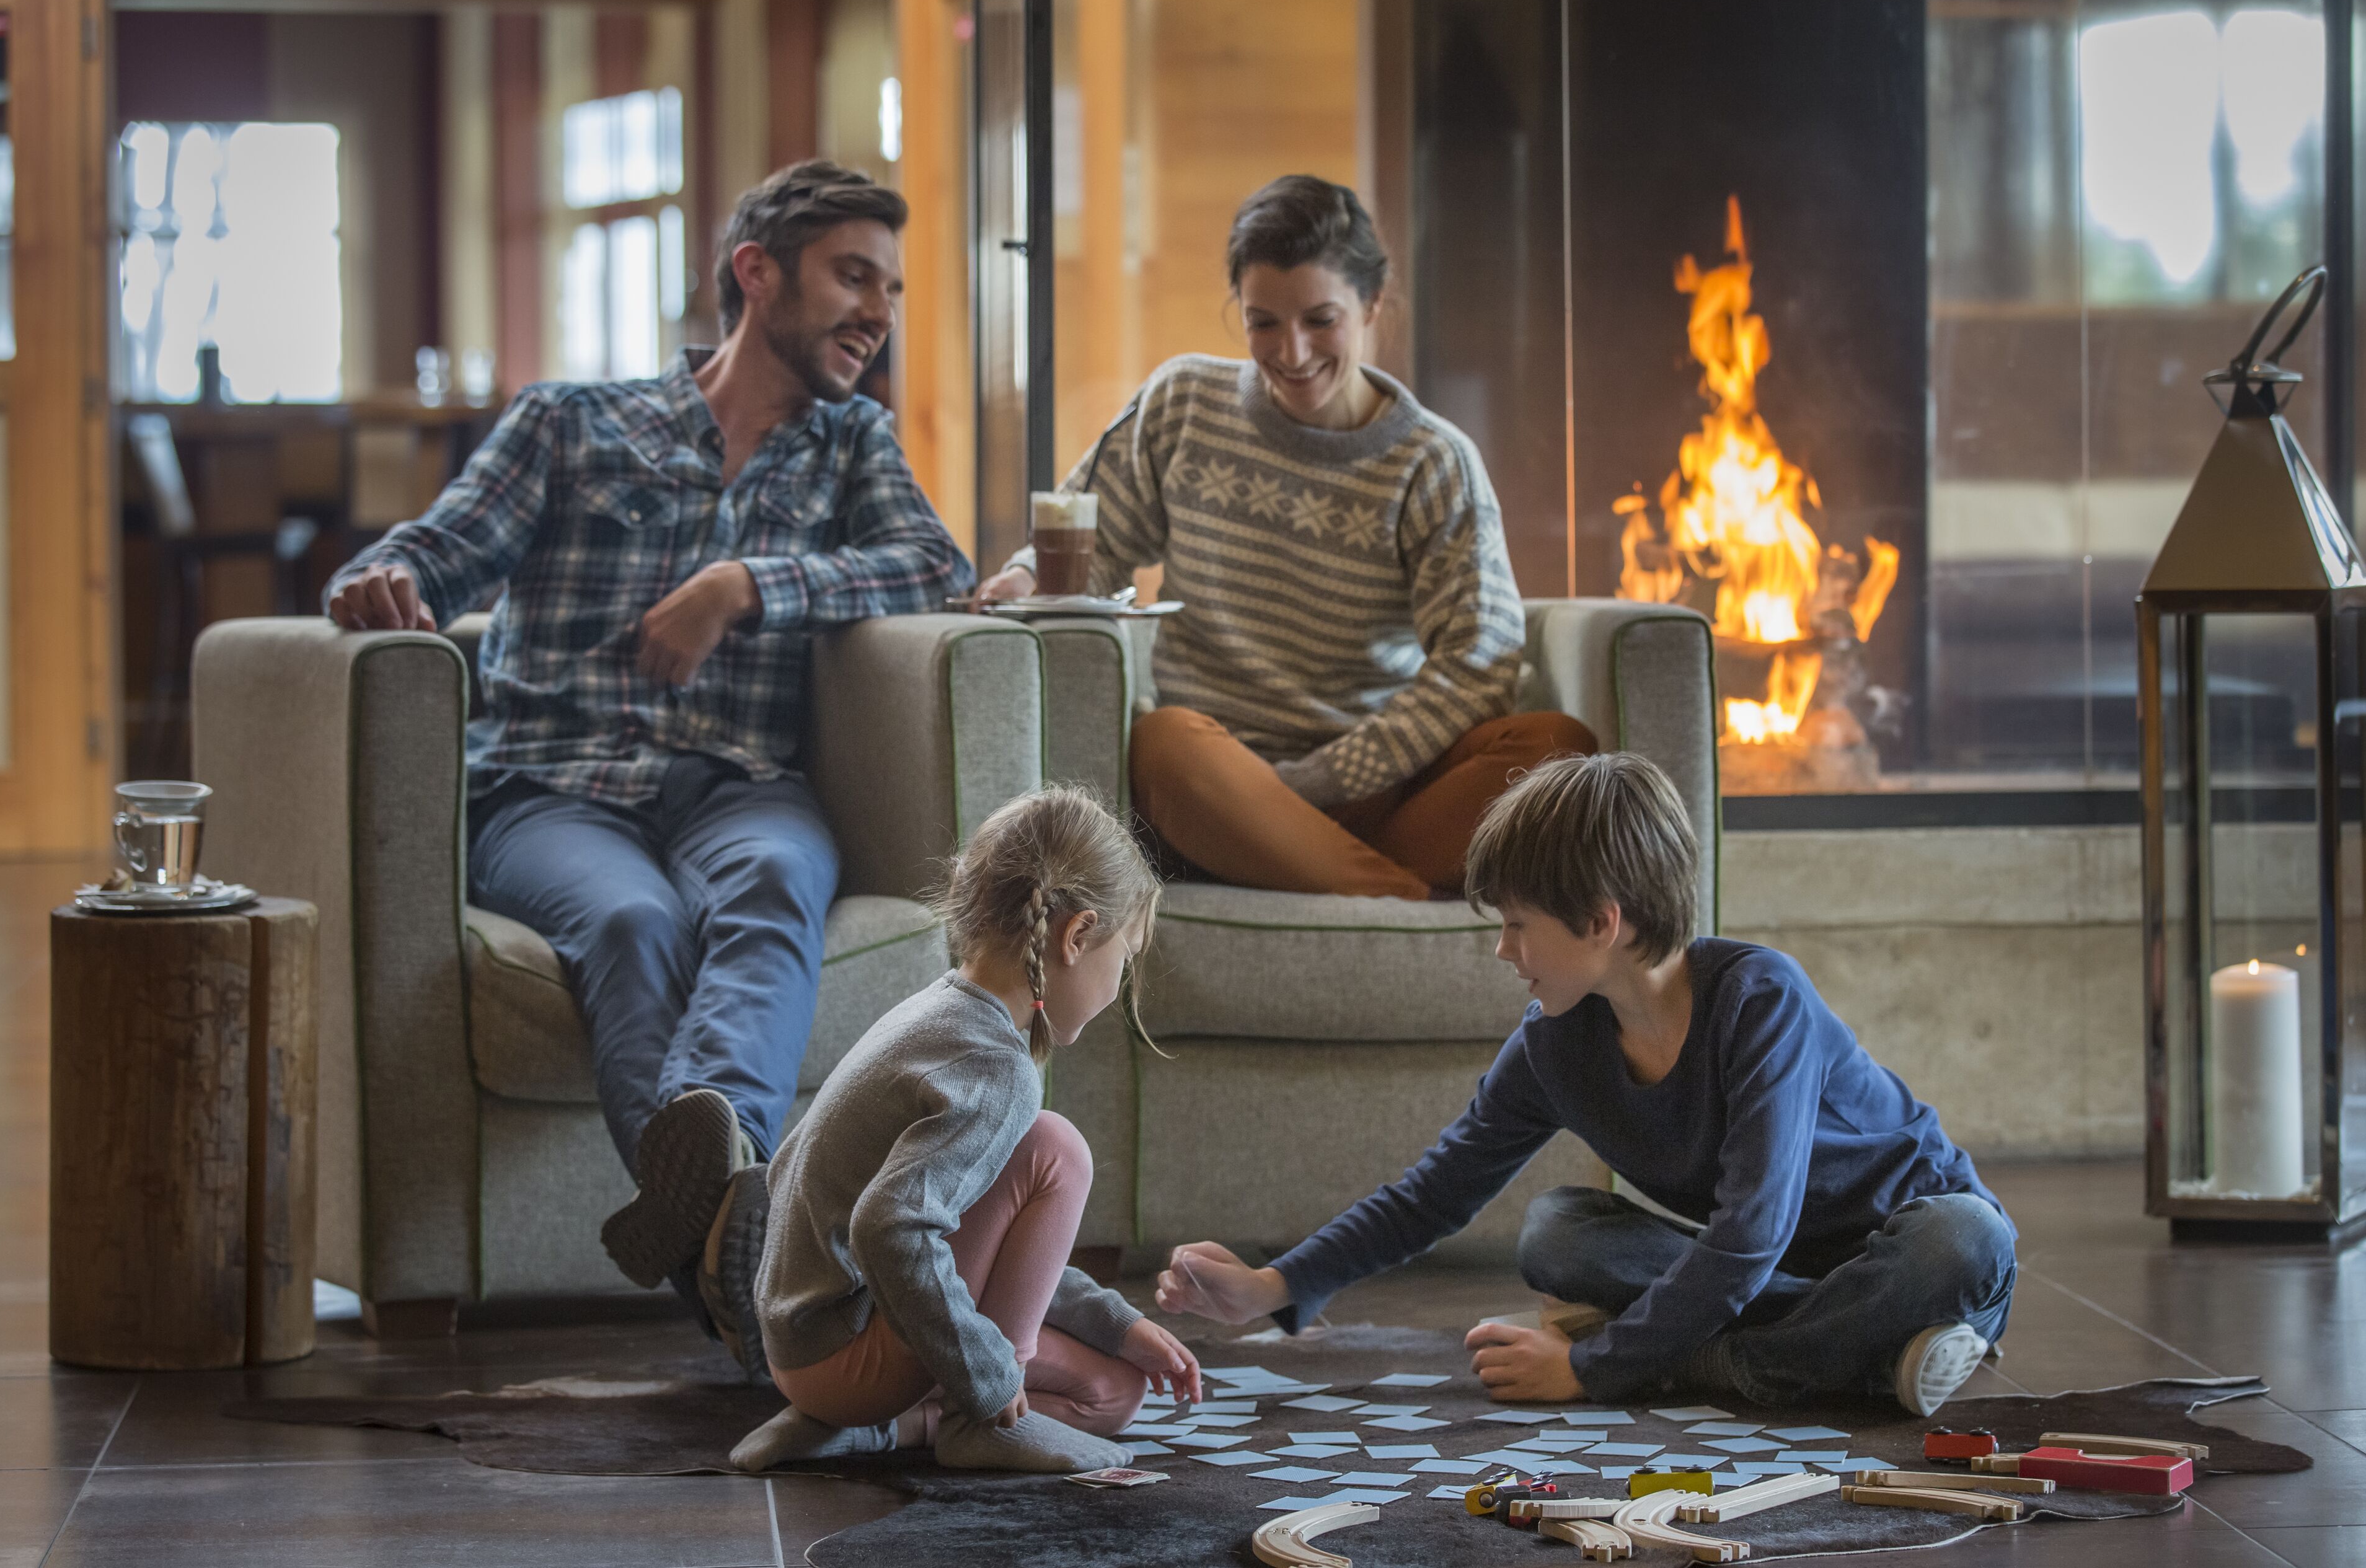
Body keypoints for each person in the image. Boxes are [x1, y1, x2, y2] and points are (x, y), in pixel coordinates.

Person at [322, 161, 974, 1319]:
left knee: (778, 875)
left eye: (892, 287)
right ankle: (743, 1249)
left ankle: (712, 1205)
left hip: (741, 787)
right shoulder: (573, 422)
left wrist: (744, 582)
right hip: (550, 791)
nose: (879, 311)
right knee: (633, 921)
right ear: (757, 273)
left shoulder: (852, 448)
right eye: (853, 276)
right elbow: (430, 554)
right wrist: (384, 583)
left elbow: (936, 568)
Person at [1151, 752, 2018, 1415]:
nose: (1504, 950)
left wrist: (1590, 1366)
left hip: (1905, 1243)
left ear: (1603, 920)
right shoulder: (1557, 1041)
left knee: (1965, 1237)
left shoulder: (1761, 999)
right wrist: (1274, 1284)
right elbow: (1436, 1191)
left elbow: (1752, 1229)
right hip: (1777, 1270)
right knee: (1559, 1231)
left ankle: (1702, 1355)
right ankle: (1857, 1350)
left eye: (1518, 924)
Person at [973, 174, 1591, 900]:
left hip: (1382, 790)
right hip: (1217, 786)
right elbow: (1095, 535)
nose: (1291, 352)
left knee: (1560, 751)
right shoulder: (1184, 402)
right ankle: (1399, 906)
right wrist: (1023, 576)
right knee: (1163, 743)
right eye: (1263, 322)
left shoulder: (1432, 460)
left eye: (1320, 320)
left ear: (1372, 306)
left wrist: (1319, 781)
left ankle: (1320, 871)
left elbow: (1479, 663)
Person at [722, 787, 1201, 1474]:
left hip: (807, 1347)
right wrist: (989, 1385)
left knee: (1113, 1392)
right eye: (1124, 957)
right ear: (1076, 936)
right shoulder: (993, 1064)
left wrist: (1117, 1325)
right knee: (1056, 1149)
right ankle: (978, 1426)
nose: (1119, 982)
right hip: (847, 1351)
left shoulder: (938, 1014)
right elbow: (890, 1227)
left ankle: (884, 1429)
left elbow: (983, 1240)